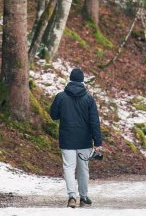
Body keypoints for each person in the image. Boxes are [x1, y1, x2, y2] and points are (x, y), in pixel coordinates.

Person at [50, 68, 102, 208]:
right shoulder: (89, 98)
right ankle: (83, 197)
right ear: (82, 81)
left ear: (70, 79)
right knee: (83, 169)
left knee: (68, 167)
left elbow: (53, 115)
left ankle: (72, 196)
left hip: (67, 139)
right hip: (84, 140)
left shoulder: (61, 96)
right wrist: (97, 142)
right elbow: (94, 121)